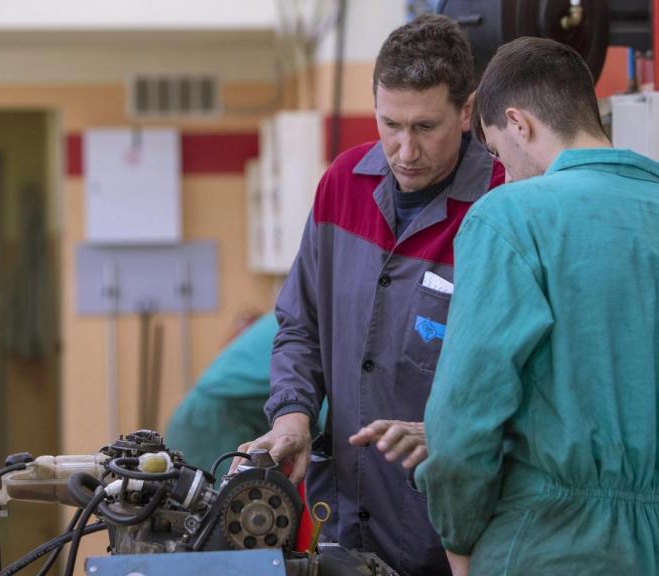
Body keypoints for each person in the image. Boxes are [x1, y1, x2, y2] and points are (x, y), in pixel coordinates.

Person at [415, 37, 659, 576]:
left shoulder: (508, 218)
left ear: (517, 123)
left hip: (530, 548)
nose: (503, 174)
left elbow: (463, 418)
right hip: (649, 552)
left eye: (498, 155)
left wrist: (458, 539)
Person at [234, 14, 503, 576]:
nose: (405, 150)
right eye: (390, 124)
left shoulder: (502, 206)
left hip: (450, 533)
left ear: (467, 112)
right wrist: (292, 415)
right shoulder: (343, 184)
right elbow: (301, 325)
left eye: (425, 127)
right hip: (341, 518)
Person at [166, 313, 279, 474]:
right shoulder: (302, 321)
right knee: (221, 488)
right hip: (212, 422)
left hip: (215, 415)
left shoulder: (290, 315)